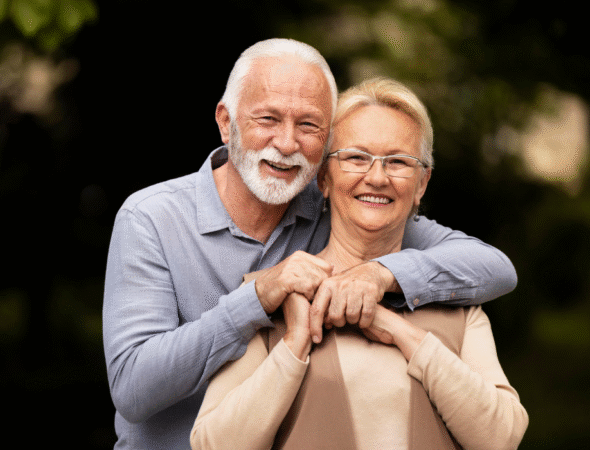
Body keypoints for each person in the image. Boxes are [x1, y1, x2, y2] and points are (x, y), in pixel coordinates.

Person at [103, 38, 517, 449]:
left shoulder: (341, 205)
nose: (287, 143)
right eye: (268, 119)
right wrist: (256, 300)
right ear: (226, 122)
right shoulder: (151, 218)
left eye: (308, 125)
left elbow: (493, 267)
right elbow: (133, 388)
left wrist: (380, 274)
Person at [190, 77, 528, 449]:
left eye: (398, 162)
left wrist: (400, 332)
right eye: (356, 158)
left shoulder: (459, 307)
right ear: (324, 177)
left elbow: (501, 438)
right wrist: (294, 342)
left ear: (421, 184)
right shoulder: (270, 295)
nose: (377, 177)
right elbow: (212, 444)